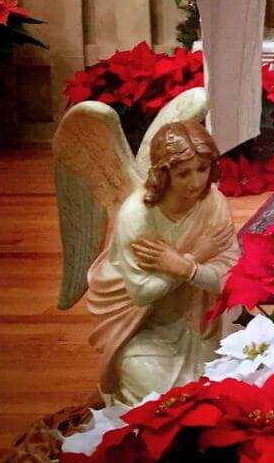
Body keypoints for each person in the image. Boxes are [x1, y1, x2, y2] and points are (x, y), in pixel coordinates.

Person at [85, 121, 240, 405]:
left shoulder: (213, 203)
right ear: (163, 173)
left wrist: (185, 267)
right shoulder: (137, 216)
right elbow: (140, 294)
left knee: (223, 378)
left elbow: (232, 277)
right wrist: (191, 262)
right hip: (147, 331)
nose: (196, 182)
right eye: (183, 173)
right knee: (146, 379)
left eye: (202, 169)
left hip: (200, 325)